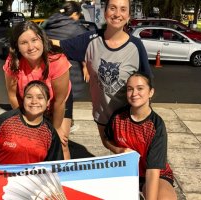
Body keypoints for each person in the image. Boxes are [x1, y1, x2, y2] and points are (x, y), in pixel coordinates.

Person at [51, 0, 153, 149]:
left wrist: (145, 118)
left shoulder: (136, 46)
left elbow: (147, 83)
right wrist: (28, 41)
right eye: (113, 8)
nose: (117, 14)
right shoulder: (91, 40)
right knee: (112, 147)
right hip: (103, 116)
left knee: (133, 158)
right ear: (105, 13)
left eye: (123, 9)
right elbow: (58, 45)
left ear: (129, 16)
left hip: (130, 118)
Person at [3, 21, 72, 159]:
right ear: (17, 46)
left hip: (57, 102)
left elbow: (60, 101)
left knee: (60, 143)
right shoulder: (13, 62)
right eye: (24, 43)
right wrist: (24, 123)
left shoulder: (57, 60)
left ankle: (65, 178)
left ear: (42, 39)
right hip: (30, 103)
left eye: (34, 40)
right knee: (31, 141)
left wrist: (56, 128)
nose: (31, 47)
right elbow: (12, 96)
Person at [104, 72, 177, 200]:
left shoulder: (156, 125)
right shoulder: (117, 117)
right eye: (130, 89)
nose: (134, 93)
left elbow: (153, 171)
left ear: (151, 92)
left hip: (156, 174)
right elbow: (106, 140)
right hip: (126, 173)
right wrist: (118, 150)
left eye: (140, 88)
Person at [42, 0, 90, 90]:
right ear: (75, 14)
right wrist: (85, 65)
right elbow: (85, 48)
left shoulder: (48, 23)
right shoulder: (75, 28)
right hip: (70, 76)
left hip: (48, 73)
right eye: (78, 15)